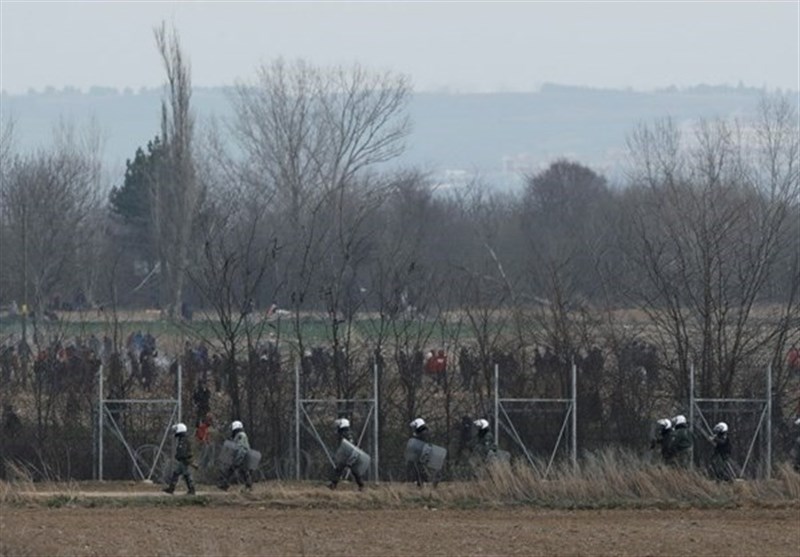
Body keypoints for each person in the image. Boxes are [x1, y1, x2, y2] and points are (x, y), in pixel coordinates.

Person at [328, 418, 365, 491]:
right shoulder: (349, 433)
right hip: (351, 454)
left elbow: (346, 445)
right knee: (352, 470)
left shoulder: (344, 433)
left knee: (340, 469)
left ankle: (333, 484)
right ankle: (361, 485)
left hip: (348, 455)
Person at [218, 420, 252, 491]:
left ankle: (248, 487)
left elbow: (242, 449)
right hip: (242, 457)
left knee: (240, 471)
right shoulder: (239, 435)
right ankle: (224, 485)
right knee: (242, 471)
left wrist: (237, 459)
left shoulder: (241, 436)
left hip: (241, 457)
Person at [163, 422, 196, 495]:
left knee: (187, 475)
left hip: (184, 461)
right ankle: (171, 489)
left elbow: (184, 451)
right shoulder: (182, 439)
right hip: (182, 460)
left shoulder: (184, 440)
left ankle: (192, 490)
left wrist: (180, 456)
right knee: (176, 473)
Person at [407, 417, 430, 486]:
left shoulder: (423, 434)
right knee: (417, 467)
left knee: (420, 467)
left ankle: (423, 481)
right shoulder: (423, 434)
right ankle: (419, 481)